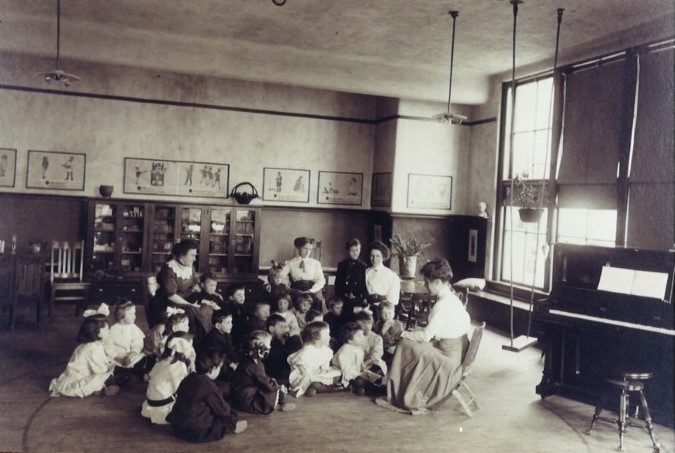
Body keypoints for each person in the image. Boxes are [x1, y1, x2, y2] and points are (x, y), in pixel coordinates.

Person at [381, 258, 471, 413]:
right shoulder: (452, 298)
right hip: (456, 350)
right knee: (410, 344)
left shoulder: (443, 305)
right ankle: (399, 385)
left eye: (427, 282)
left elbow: (426, 336)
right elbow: (436, 331)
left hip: (449, 359)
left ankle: (401, 391)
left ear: (437, 282)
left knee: (404, 345)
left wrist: (403, 333)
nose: (426, 286)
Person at [167, 351, 247, 442]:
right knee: (230, 416)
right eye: (219, 368)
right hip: (195, 432)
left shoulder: (188, 378)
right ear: (212, 369)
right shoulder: (208, 385)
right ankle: (234, 427)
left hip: (177, 427)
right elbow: (224, 411)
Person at [49, 309, 118, 397]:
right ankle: (103, 389)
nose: (109, 332)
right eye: (107, 329)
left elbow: (101, 360)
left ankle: (103, 386)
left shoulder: (94, 345)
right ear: (97, 332)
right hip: (77, 379)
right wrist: (109, 369)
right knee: (104, 376)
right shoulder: (92, 348)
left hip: (83, 374)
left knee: (108, 370)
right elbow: (100, 369)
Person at [229, 330, 295, 414]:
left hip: (241, 391)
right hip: (246, 396)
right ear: (260, 347)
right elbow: (264, 382)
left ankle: (279, 401)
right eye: (268, 344)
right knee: (270, 391)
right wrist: (277, 387)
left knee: (272, 385)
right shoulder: (253, 365)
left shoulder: (251, 360)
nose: (270, 347)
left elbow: (262, 377)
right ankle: (276, 406)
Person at [141, 332, 193, 424]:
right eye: (190, 346)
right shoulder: (179, 366)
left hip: (150, 406)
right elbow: (181, 391)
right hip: (164, 410)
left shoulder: (161, 361)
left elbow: (150, 377)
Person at [147, 239, 200, 329]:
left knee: (206, 307)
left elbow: (194, 284)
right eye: (192, 255)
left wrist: (207, 294)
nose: (195, 258)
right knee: (192, 311)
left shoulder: (190, 267)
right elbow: (171, 295)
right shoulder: (169, 269)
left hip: (183, 299)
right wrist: (189, 304)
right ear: (182, 255)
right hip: (166, 304)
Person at [287, 321, 342, 397]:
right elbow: (305, 372)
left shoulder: (326, 350)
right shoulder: (306, 352)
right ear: (315, 337)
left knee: (337, 374)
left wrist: (324, 371)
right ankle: (328, 389)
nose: (329, 337)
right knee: (314, 383)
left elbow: (325, 366)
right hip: (305, 376)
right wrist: (317, 374)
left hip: (318, 374)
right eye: (327, 335)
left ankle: (316, 389)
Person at [332, 322, 383, 395]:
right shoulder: (345, 350)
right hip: (345, 374)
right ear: (350, 340)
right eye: (359, 336)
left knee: (376, 377)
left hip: (356, 372)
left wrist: (362, 367)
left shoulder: (359, 348)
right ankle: (375, 390)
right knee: (360, 381)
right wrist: (360, 374)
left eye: (362, 335)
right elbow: (346, 369)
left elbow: (359, 363)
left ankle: (370, 386)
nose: (363, 337)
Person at [281, 237, 326, 313]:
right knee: (291, 300)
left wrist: (311, 290)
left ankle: (314, 320)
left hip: (312, 287)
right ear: (299, 248)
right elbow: (281, 276)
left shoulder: (315, 263)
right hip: (297, 288)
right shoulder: (290, 263)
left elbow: (321, 280)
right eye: (305, 248)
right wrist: (286, 283)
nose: (307, 251)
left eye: (310, 249)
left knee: (317, 299)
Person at [105, 301, 147, 384]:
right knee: (108, 362)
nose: (134, 316)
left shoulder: (133, 328)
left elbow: (137, 342)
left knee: (141, 359)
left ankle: (129, 374)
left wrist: (134, 352)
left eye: (134, 313)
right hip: (117, 357)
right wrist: (116, 357)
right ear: (121, 315)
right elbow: (108, 346)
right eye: (131, 314)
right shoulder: (113, 329)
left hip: (130, 355)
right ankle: (120, 376)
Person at [199, 309, 239, 381]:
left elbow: (230, 350)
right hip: (212, 360)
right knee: (226, 372)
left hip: (222, 358)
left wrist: (236, 360)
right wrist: (231, 364)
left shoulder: (227, 334)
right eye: (228, 322)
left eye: (231, 322)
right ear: (218, 325)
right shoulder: (212, 337)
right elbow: (216, 356)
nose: (231, 325)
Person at [263, 314, 302, 385]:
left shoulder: (278, 341)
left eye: (286, 327)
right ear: (271, 329)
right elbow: (282, 357)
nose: (285, 330)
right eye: (282, 327)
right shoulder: (268, 341)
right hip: (274, 374)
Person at [334, 238, 369, 317]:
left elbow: (365, 285)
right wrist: (339, 300)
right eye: (352, 250)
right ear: (347, 251)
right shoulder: (342, 265)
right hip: (345, 298)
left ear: (360, 250)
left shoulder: (364, 266)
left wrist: (364, 299)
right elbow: (338, 285)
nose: (354, 253)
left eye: (357, 250)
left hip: (359, 299)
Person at [186, 272, 223, 344]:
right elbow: (189, 303)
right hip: (199, 325)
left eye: (215, 285)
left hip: (214, 324)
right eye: (210, 285)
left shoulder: (217, 297)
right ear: (203, 285)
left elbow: (224, 310)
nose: (213, 288)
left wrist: (217, 308)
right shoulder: (196, 296)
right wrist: (203, 301)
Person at [365, 241, 401, 313]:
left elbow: (393, 299)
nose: (374, 259)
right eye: (372, 256)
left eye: (378, 256)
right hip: (367, 308)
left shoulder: (391, 275)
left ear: (383, 257)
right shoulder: (366, 272)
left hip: (384, 309)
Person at [354, 310, 387, 375]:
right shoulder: (354, 336)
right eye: (363, 323)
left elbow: (376, 354)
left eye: (369, 323)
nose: (367, 326)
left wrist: (365, 363)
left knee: (376, 370)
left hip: (371, 362)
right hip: (357, 361)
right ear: (357, 323)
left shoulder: (377, 338)